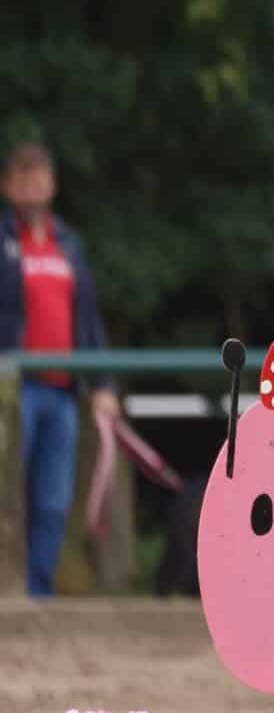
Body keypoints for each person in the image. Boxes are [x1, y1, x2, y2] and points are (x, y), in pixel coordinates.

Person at [2, 135, 117, 597]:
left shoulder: (69, 246)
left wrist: (103, 384)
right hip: (15, 389)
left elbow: (87, 318)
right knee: (9, 498)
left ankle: (38, 595)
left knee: (51, 503)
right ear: (8, 186)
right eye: (23, 178)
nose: (33, 188)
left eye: (40, 178)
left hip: (63, 392)